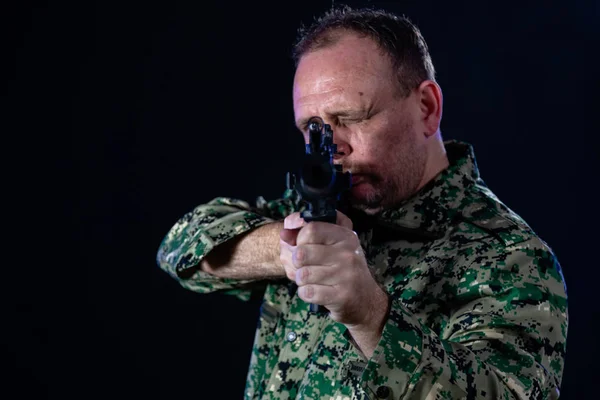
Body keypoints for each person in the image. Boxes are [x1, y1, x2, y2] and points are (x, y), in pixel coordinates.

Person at [156, 6, 568, 399]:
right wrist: (285, 248)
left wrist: (372, 316)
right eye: (312, 127)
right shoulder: (322, 205)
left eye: (350, 118)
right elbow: (181, 248)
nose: (330, 147)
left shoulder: (509, 257)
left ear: (426, 108)